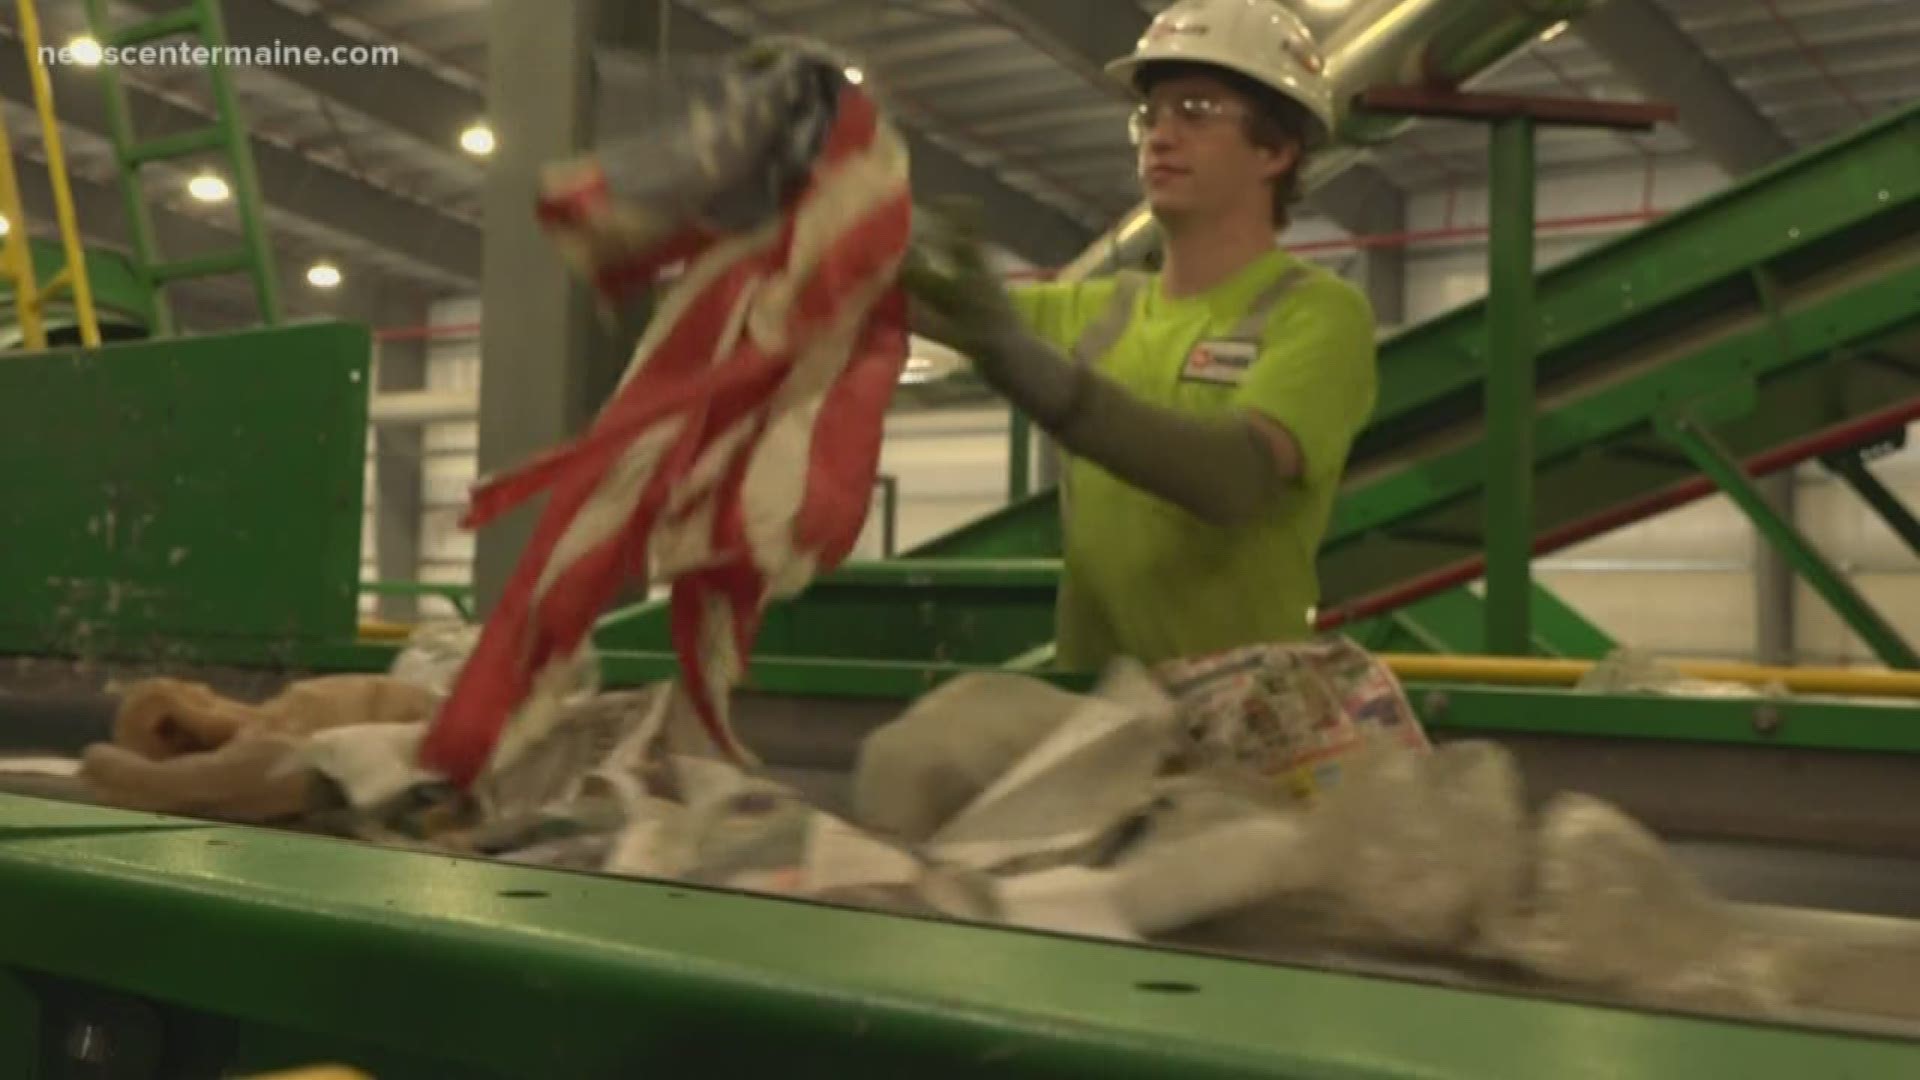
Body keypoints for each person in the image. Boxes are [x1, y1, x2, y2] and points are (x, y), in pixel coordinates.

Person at [904, 0, 1379, 671]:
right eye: (1149, 115)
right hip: (1098, 712)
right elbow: (903, 302)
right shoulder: (1096, 312)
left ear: (1275, 148)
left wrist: (1042, 379)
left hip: (1240, 722)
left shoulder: (1317, 315)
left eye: (1196, 112)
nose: (1160, 135)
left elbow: (1234, 480)